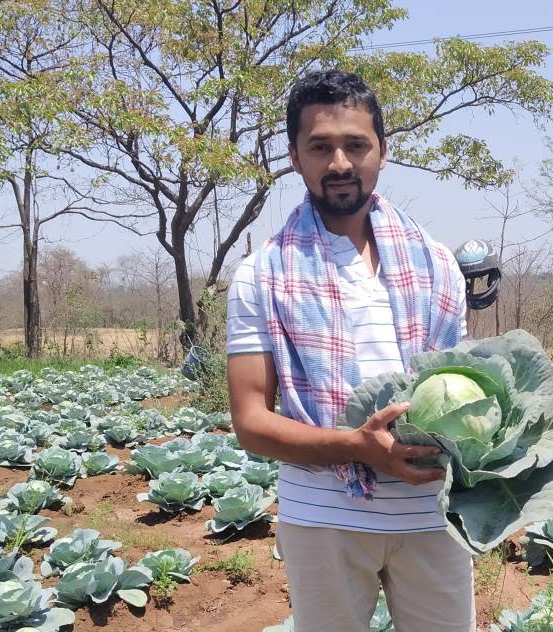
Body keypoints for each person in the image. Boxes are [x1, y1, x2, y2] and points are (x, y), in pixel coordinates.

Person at [226, 70, 476, 632]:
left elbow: (463, 385)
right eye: (320, 146)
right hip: (323, 520)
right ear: (295, 157)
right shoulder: (261, 275)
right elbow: (250, 423)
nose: (339, 162)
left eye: (356, 144)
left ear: (382, 152)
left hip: (431, 516)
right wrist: (358, 448)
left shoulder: (438, 266)